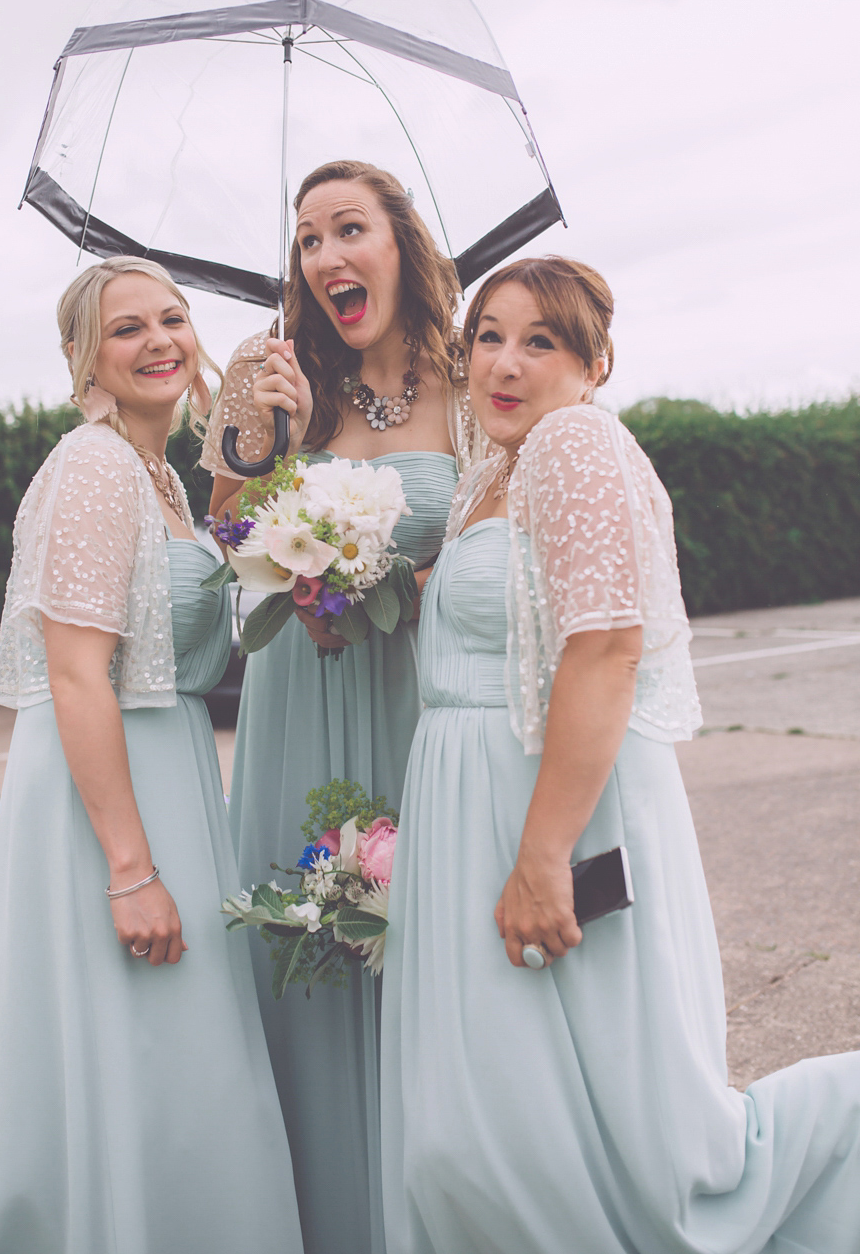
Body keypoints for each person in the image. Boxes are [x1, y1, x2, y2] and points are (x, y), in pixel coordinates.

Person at [380, 255, 860, 1254]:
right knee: (490, 1118)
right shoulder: (494, 470)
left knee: (598, 1128)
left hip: (551, 812)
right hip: (472, 805)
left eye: (540, 341)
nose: (504, 364)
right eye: (488, 337)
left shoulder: (575, 444)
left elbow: (606, 648)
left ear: (595, 364)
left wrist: (544, 856)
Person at [0, 256, 303, 1254]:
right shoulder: (91, 467)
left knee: (177, 1049)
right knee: (149, 1044)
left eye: (172, 318)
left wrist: (259, 448)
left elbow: (210, 578)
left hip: (170, 772)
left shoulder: (155, 473)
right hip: (108, 803)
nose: (160, 340)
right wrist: (129, 870)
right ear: (86, 359)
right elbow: (77, 676)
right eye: (128, 329)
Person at [200, 160, 486, 1254]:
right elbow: (230, 536)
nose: (324, 258)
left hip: (421, 704)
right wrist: (271, 436)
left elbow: (504, 544)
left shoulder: (475, 378)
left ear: (400, 244)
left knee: (424, 946)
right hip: (299, 706)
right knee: (312, 955)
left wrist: (383, 590)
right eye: (308, 239)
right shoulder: (272, 371)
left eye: (347, 229)